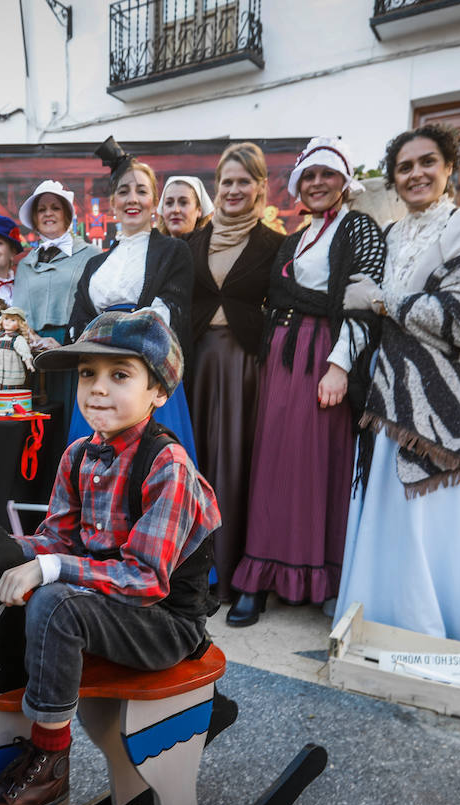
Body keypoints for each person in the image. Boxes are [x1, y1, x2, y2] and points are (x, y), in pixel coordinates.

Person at [0, 308, 221, 805]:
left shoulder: (168, 468)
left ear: (158, 392)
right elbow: (55, 537)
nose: (97, 389)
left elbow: (144, 579)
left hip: (163, 624)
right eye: (88, 373)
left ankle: (49, 765)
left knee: (54, 602)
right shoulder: (77, 456)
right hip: (112, 609)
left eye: (120, 375)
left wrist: (48, 570)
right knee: (13, 582)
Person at [336, 123, 460, 648]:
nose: (416, 173)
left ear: (448, 169)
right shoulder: (393, 234)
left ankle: (442, 632)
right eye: (404, 167)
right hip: (390, 394)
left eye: (427, 162)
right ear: (394, 180)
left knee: (437, 523)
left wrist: (382, 301)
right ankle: (391, 630)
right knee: (394, 520)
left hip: (443, 400)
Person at [228, 137, 386, 626]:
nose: (318, 184)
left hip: (325, 354)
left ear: (343, 182)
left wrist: (339, 366)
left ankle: (326, 581)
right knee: (272, 464)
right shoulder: (295, 238)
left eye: (327, 175)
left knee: (319, 466)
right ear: (299, 185)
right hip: (282, 355)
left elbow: (364, 302)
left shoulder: (360, 229)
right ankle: (258, 578)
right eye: (309, 176)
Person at [185, 142, 284, 603]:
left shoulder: (275, 244)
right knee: (197, 464)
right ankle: (195, 576)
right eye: (227, 181)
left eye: (245, 181)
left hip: (247, 366)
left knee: (240, 468)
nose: (234, 189)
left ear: (261, 187)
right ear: (216, 187)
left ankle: (238, 575)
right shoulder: (193, 243)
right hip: (198, 366)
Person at [68, 138, 197, 460]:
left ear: (154, 201)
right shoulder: (95, 263)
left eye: (141, 190)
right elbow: (79, 319)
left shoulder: (173, 251)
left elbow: (169, 311)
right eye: (124, 191)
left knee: (147, 461)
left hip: (144, 365)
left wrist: (121, 344)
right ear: (112, 202)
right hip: (99, 368)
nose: (132, 198)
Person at [14, 179, 100, 443]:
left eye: (55, 207)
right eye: (42, 209)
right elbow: (17, 312)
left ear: (67, 214)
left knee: (72, 426)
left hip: (72, 351)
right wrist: (29, 338)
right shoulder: (25, 264)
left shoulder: (90, 255)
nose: (48, 213)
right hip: (33, 356)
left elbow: (95, 309)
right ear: (34, 218)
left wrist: (65, 344)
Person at [0, 305, 35, 390]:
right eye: (6, 319)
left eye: (13, 320)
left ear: (19, 324)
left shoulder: (18, 339)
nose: (8, 322)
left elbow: (25, 352)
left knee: (10, 385)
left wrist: (29, 364)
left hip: (11, 367)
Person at [157, 175, 214, 239]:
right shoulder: (150, 247)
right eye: (169, 203)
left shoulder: (212, 247)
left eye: (183, 203)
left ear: (199, 210)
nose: (175, 210)